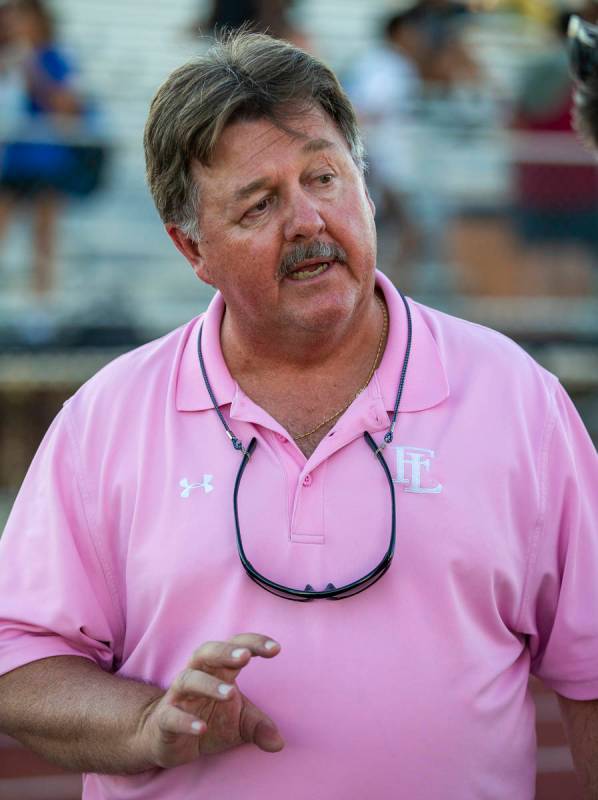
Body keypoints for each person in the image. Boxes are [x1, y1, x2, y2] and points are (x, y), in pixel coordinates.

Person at [0, 30, 597, 800]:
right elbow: (16, 658)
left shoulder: (518, 399)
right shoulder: (106, 420)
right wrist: (147, 722)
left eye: (324, 177)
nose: (309, 221)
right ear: (192, 249)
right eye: (259, 205)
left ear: (366, 182)